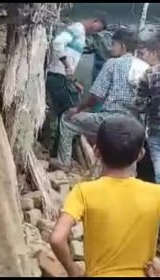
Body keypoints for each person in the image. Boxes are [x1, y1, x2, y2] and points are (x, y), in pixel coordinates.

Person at [50, 116, 160, 277]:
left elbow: (57, 239)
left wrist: (73, 271)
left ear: (96, 151)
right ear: (141, 154)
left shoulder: (83, 191)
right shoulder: (155, 193)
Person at [49, 29, 148, 171]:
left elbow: (96, 95)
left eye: (113, 44)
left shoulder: (113, 64)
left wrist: (78, 109)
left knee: (67, 119)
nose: (110, 48)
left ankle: (64, 162)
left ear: (123, 47)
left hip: (110, 119)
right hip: (135, 125)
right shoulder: (145, 67)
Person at [43, 16, 106, 157]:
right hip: (57, 77)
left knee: (64, 114)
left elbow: (70, 68)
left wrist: (75, 82)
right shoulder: (76, 29)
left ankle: (57, 153)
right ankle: (61, 157)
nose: (96, 32)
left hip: (62, 78)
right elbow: (57, 43)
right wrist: (66, 64)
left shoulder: (81, 34)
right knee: (70, 114)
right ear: (95, 21)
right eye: (98, 28)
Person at [134, 32, 160, 183]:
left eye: (145, 53)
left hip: (156, 129)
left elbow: (139, 104)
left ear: (155, 52)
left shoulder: (150, 74)